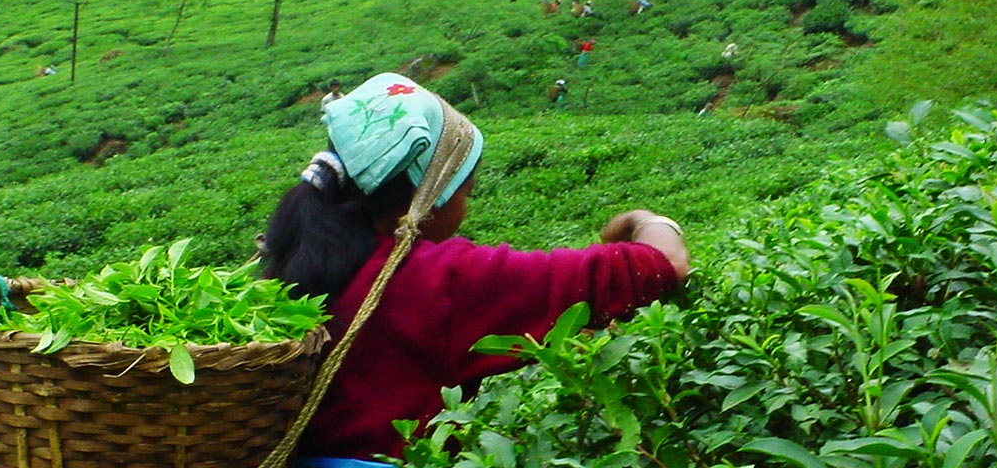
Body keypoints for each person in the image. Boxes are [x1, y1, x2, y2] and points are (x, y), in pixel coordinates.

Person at [261, 72, 689, 465]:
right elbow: (665, 265)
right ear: (428, 194)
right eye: (467, 190)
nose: (466, 206)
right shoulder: (437, 281)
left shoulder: (291, 258)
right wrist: (646, 221)